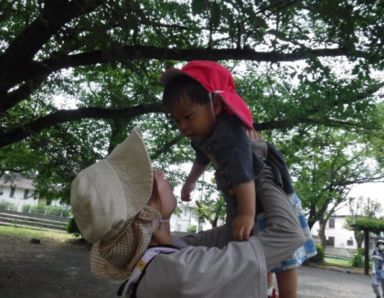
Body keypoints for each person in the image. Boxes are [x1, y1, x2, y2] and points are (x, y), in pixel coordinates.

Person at [70, 127, 304, 298]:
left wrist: (235, 172)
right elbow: (288, 234)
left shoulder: (169, 253)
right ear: (149, 211)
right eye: (151, 178)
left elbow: (238, 232)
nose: (160, 173)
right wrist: (259, 166)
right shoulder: (180, 271)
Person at [161, 60, 316, 298]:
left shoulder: (230, 135)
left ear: (216, 105)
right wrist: (191, 180)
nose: (183, 126)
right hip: (242, 195)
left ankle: (288, 294)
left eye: (188, 116)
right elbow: (202, 156)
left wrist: (246, 213)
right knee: (250, 243)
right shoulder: (203, 133)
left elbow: (245, 173)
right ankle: (263, 290)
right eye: (177, 120)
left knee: (282, 254)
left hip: (263, 188)